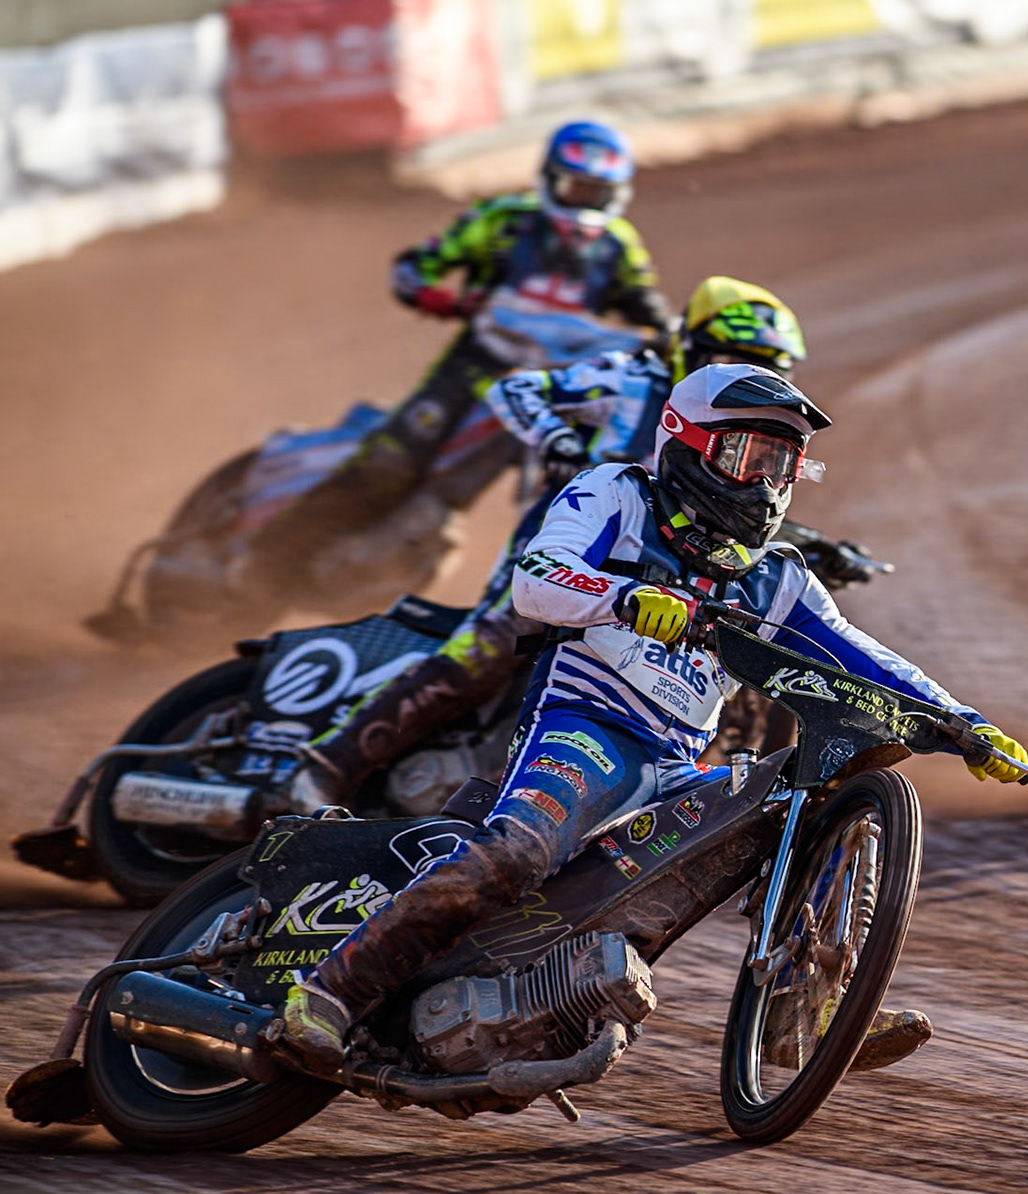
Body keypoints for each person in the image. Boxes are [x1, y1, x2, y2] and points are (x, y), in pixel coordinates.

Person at [278, 363, 1028, 1072]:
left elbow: (862, 655)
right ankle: (330, 993)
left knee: (796, 801)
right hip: (585, 721)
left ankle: (811, 1005)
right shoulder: (617, 494)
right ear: (689, 443)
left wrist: (965, 722)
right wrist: (625, 598)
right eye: (747, 456)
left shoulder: (777, 579)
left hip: (674, 763)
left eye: (782, 465)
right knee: (513, 854)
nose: (765, 484)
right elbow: (535, 582)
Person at [281, 279, 875, 809]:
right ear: (687, 346)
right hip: (572, 546)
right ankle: (326, 768)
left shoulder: (745, 433)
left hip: (663, 577)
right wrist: (559, 438)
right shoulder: (630, 377)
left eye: (770, 366)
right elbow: (514, 390)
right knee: (486, 648)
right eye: (728, 357)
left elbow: (728, 497)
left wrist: (821, 547)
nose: (746, 372)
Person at [252, 121, 672, 589]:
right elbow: (414, 266)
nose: (583, 202)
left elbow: (649, 311)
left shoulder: (619, 245)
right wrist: (439, 300)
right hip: (477, 367)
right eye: (575, 187)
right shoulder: (502, 220)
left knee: (596, 470)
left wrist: (670, 338)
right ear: (550, 180)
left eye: (596, 192)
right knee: (387, 464)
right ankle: (266, 559)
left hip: (560, 385)